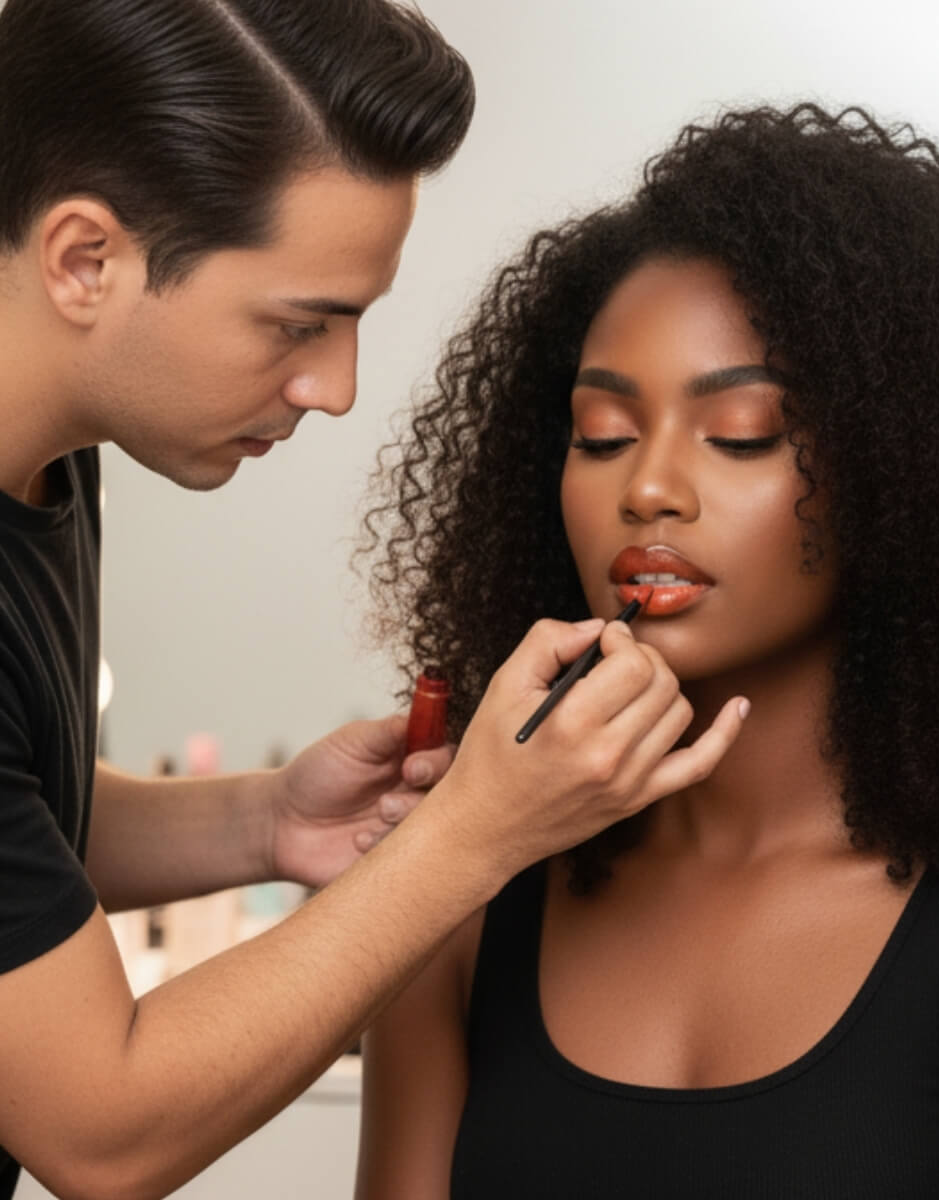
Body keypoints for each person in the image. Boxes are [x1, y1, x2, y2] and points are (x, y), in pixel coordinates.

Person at [355, 102, 939, 1199]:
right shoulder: (461, 894)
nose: (646, 488)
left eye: (742, 433)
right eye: (601, 435)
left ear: (904, 469)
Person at [0, 2, 749, 1197]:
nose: (336, 387)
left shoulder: (47, 457)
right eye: (299, 323)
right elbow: (100, 1131)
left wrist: (259, 822)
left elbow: (19, 835)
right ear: (87, 260)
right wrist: (473, 837)